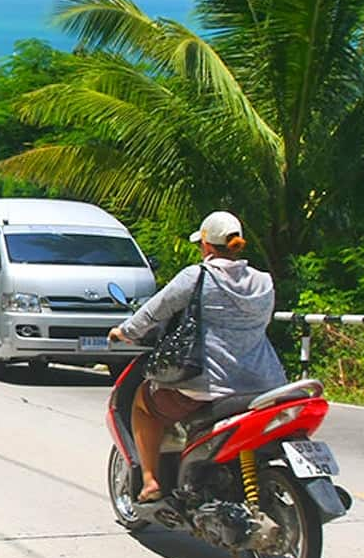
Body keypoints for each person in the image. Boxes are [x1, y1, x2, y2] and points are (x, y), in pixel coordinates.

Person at [107, 210, 285, 503]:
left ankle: (151, 481)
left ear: (206, 246)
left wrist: (123, 332)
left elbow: (154, 311)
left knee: (142, 401)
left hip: (211, 388)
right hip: (265, 385)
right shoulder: (264, 281)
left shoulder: (197, 276)